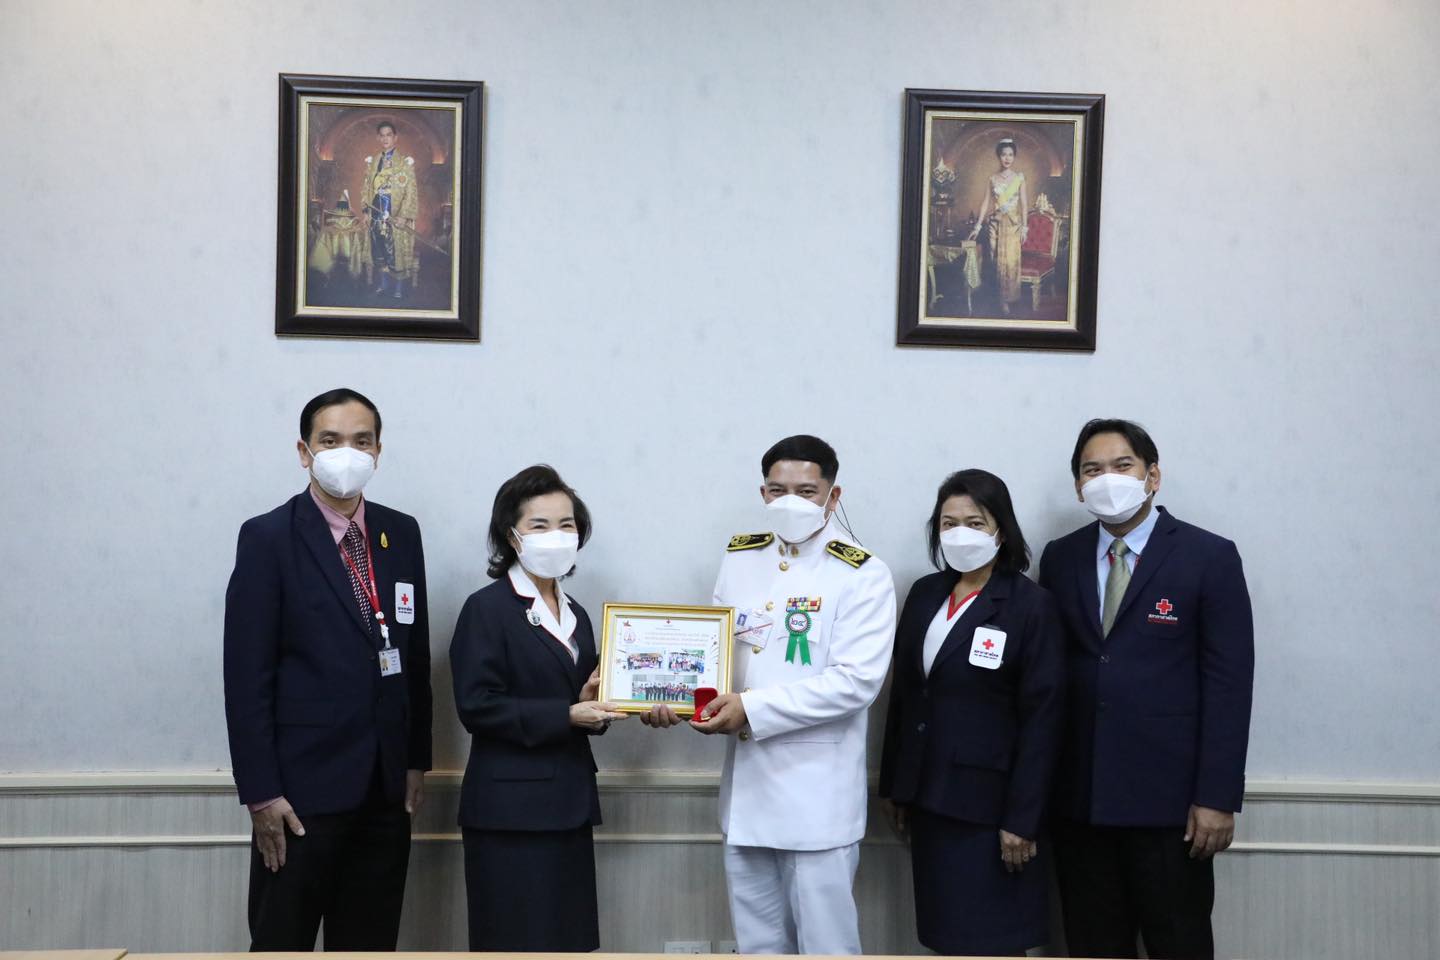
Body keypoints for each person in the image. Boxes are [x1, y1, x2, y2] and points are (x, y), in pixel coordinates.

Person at [642, 435, 896, 955]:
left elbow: (856, 683)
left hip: (816, 801)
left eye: (807, 491)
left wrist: (749, 708)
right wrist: (676, 695)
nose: (790, 502)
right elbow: (715, 656)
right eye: (778, 491)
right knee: (758, 946)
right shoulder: (741, 558)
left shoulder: (863, 573)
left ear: (833, 495)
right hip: (747, 798)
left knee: (826, 948)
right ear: (763, 494)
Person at [223, 387, 431, 951]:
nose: (348, 453)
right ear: (304, 451)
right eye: (331, 440)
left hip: (384, 793)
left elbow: (413, 656)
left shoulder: (401, 532)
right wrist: (261, 794)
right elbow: (246, 679)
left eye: (361, 441)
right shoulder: (268, 537)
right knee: (281, 943)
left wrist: (415, 759)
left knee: (368, 945)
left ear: (378, 451)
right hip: (299, 796)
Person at [1038, 419, 1255, 960]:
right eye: (1092, 470)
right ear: (1078, 487)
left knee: (1179, 944)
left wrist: (1216, 797)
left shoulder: (1209, 556)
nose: (1106, 479)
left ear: (1152, 476)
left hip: (1172, 810)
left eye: (1122, 466)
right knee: (1093, 946)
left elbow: (1229, 686)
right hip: (1080, 803)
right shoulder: (1060, 558)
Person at [878, 469, 1065, 956]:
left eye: (975, 522)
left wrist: (1022, 819)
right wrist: (896, 784)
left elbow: (1043, 721)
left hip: (992, 812)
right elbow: (906, 695)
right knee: (945, 939)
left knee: (993, 941)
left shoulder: (1030, 606)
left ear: (1001, 529)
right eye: (949, 523)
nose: (960, 533)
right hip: (928, 799)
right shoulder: (925, 593)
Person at [449, 465, 625, 951]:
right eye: (539, 525)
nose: (556, 535)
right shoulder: (486, 608)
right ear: (512, 536)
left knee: (568, 942)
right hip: (509, 813)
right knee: (514, 942)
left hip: (569, 802)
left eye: (566, 524)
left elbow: (580, 701)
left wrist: (590, 707)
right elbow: (476, 706)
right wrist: (565, 715)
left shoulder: (578, 614)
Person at [968, 138, 1028, 314]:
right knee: (996, 261)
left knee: (1010, 262)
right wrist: (977, 227)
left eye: (1010, 154)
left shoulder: (1019, 179)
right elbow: (985, 203)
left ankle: (1008, 298)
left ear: (1014, 157)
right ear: (999, 156)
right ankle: (1000, 298)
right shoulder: (992, 179)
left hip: (1013, 226)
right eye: (1004, 154)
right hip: (995, 225)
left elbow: (1024, 204)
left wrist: (1025, 228)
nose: (1007, 158)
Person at [361, 120, 419, 299]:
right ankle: (383, 284)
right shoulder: (373, 162)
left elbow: (411, 191)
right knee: (379, 250)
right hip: (376, 213)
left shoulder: (404, 163)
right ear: (378, 138)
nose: (385, 138)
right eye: (382, 135)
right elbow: (366, 188)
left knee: (396, 252)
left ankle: (398, 287)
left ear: (395, 137)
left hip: (395, 215)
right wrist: (366, 212)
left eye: (389, 135)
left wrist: (404, 216)